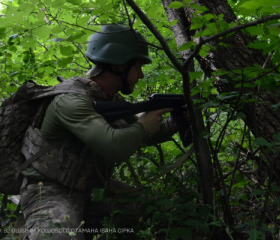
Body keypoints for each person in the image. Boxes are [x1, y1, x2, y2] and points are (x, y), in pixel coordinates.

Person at [12, 24, 179, 240]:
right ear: (119, 66)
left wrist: (175, 122)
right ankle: (30, 226)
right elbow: (115, 146)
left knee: (159, 213)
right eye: (137, 66)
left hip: (91, 189)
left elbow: (145, 135)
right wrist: (143, 125)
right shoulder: (70, 101)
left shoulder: (109, 99)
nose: (140, 75)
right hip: (49, 190)